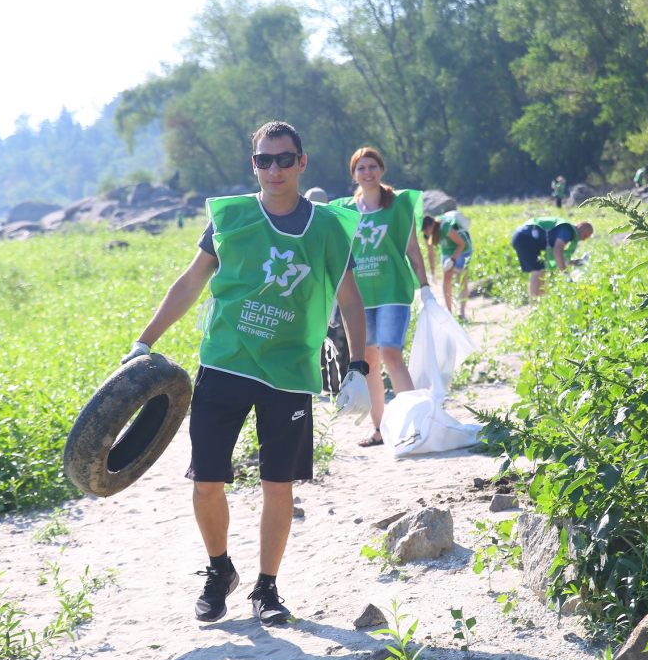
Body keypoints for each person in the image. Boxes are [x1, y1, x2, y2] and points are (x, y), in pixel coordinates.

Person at [120, 121, 371, 626]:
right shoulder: (230, 218)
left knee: (278, 485)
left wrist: (360, 367)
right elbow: (190, 283)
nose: (273, 168)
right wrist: (144, 341)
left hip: (291, 372)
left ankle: (267, 588)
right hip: (225, 363)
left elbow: (350, 299)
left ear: (302, 162)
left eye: (283, 159)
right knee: (207, 480)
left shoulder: (327, 227)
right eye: (263, 159)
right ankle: (220, 572)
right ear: (253, 164)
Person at [330, 148, 432, 448]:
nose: (367, 172)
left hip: (393, 290)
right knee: (369, 362)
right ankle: (380, 429)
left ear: (382, 170)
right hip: (359, 295)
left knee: (390, 353)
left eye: (372, 166)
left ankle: (417, 425)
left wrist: (425, 286)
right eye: (361, 168)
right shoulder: (345, 209)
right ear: (354, 174)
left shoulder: (399, 204)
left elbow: (413, 247)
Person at [510, 215, 594, 300]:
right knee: (538, 272)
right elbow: (557, 251)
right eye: (585, 235)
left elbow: (559, 258)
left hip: (525, 236)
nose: (583, 239)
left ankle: (540, 306)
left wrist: (574, 263)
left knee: (542, 272)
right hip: (525, 236)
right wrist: (566, 274)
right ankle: (533, 307)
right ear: (580, 227)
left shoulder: (566, 231)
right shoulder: (568, 230)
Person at [421, 211, 472, 321]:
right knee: (447, 278)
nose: (427, 232)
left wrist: (453, 259)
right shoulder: (427, 233)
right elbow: (431, 253)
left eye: (428, 229)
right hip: (447, 251)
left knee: (461, 278)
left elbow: (461, 244)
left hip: (463, 249)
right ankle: (449, 313)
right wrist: (433, 272)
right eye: (424, 231)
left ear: (433, 224)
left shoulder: (444, 226)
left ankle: (462, 313)